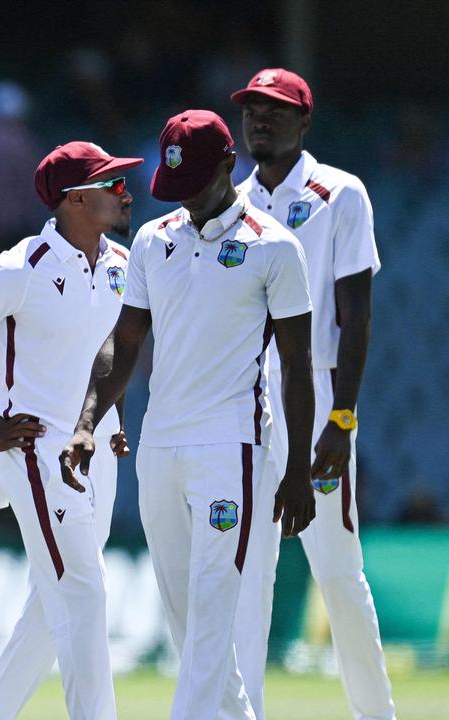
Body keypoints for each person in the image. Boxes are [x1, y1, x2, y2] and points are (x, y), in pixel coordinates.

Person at [61, 110, 316, 720]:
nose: (186, 202)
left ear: (230, 165)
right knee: (185, 625)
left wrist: (298, 468)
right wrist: (88, 420)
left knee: (210, 617)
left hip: (234, 450)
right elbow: (124, 340)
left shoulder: (274, 248)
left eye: (195, 185)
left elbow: (298, 364)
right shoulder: (155, 239)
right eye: (174, 188)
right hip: (161, 449)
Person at [230, 68, 393, 720]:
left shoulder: (340, 194)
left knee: (338, 575)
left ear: (305, 122)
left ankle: (376, 715)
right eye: (251, 109)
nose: (260, 119)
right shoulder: (231, 202)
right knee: (249, 577)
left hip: (320, 393)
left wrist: (343, 417)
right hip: (246, 400)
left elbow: (357, 316)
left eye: (275, 110)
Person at [0, 141, 140, 720]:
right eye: (110, 182)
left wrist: (111, 419)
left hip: (99, 451)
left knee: (53, 598)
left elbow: (113, 354)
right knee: (85, 591)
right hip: (36, 452)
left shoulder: (122, 263)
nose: (123, 191)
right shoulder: (18, 268)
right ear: (73, 199)